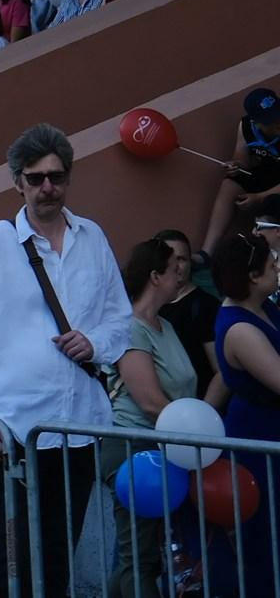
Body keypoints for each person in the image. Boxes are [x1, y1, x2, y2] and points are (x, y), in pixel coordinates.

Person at [0, 123, 134, 598]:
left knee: (58, 554)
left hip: (80, 427)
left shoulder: (93, 238)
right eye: (36, 178)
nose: (48, 187)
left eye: (57, 176)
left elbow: (120, 321)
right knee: (7, 560)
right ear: (17, 182)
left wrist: (95, 343)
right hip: (11, 431)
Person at [109, 234, 203, 598]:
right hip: (137, 449)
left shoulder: (167, 326)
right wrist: (198, 436)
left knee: (144, 556)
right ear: (154, 276)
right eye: (173, 266)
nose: (182, 270)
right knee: (141, 557)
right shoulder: (131, 327)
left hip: (168, 448)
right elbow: (150, 402)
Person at [206, 231, 280, 598]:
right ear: (252, 276)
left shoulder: (261, 304)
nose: (277, 267)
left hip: (269, 430)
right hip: (262, 441)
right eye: (272, 264)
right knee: (269, 538)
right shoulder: (240, 328)